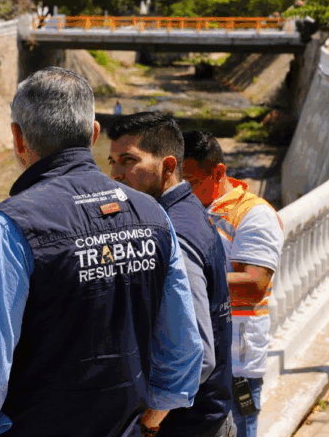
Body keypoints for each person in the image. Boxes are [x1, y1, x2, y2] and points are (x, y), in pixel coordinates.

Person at [0, 67, 204, 437]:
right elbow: (183, 349)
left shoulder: (10, 225)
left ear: (17, 138)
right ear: (94, 133)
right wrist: (148, 420)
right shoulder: (153, 214)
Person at [108, 112, 235, 437]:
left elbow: (200, 358)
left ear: (167, 165)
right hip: (208, 417)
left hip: (188, 426)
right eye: (112, 162)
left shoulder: (174, 232)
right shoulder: (189, 210)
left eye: (128, 160)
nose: (115, 175)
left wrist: (150, 422)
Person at [181, 130, 285, 437]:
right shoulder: (193, 208)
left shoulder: (254, 214)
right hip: (201, 347)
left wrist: (189, 279)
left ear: (218, 172)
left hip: (239, 355)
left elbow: (256, 283)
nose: (184, 187)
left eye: (191, 180)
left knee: (242, 423)